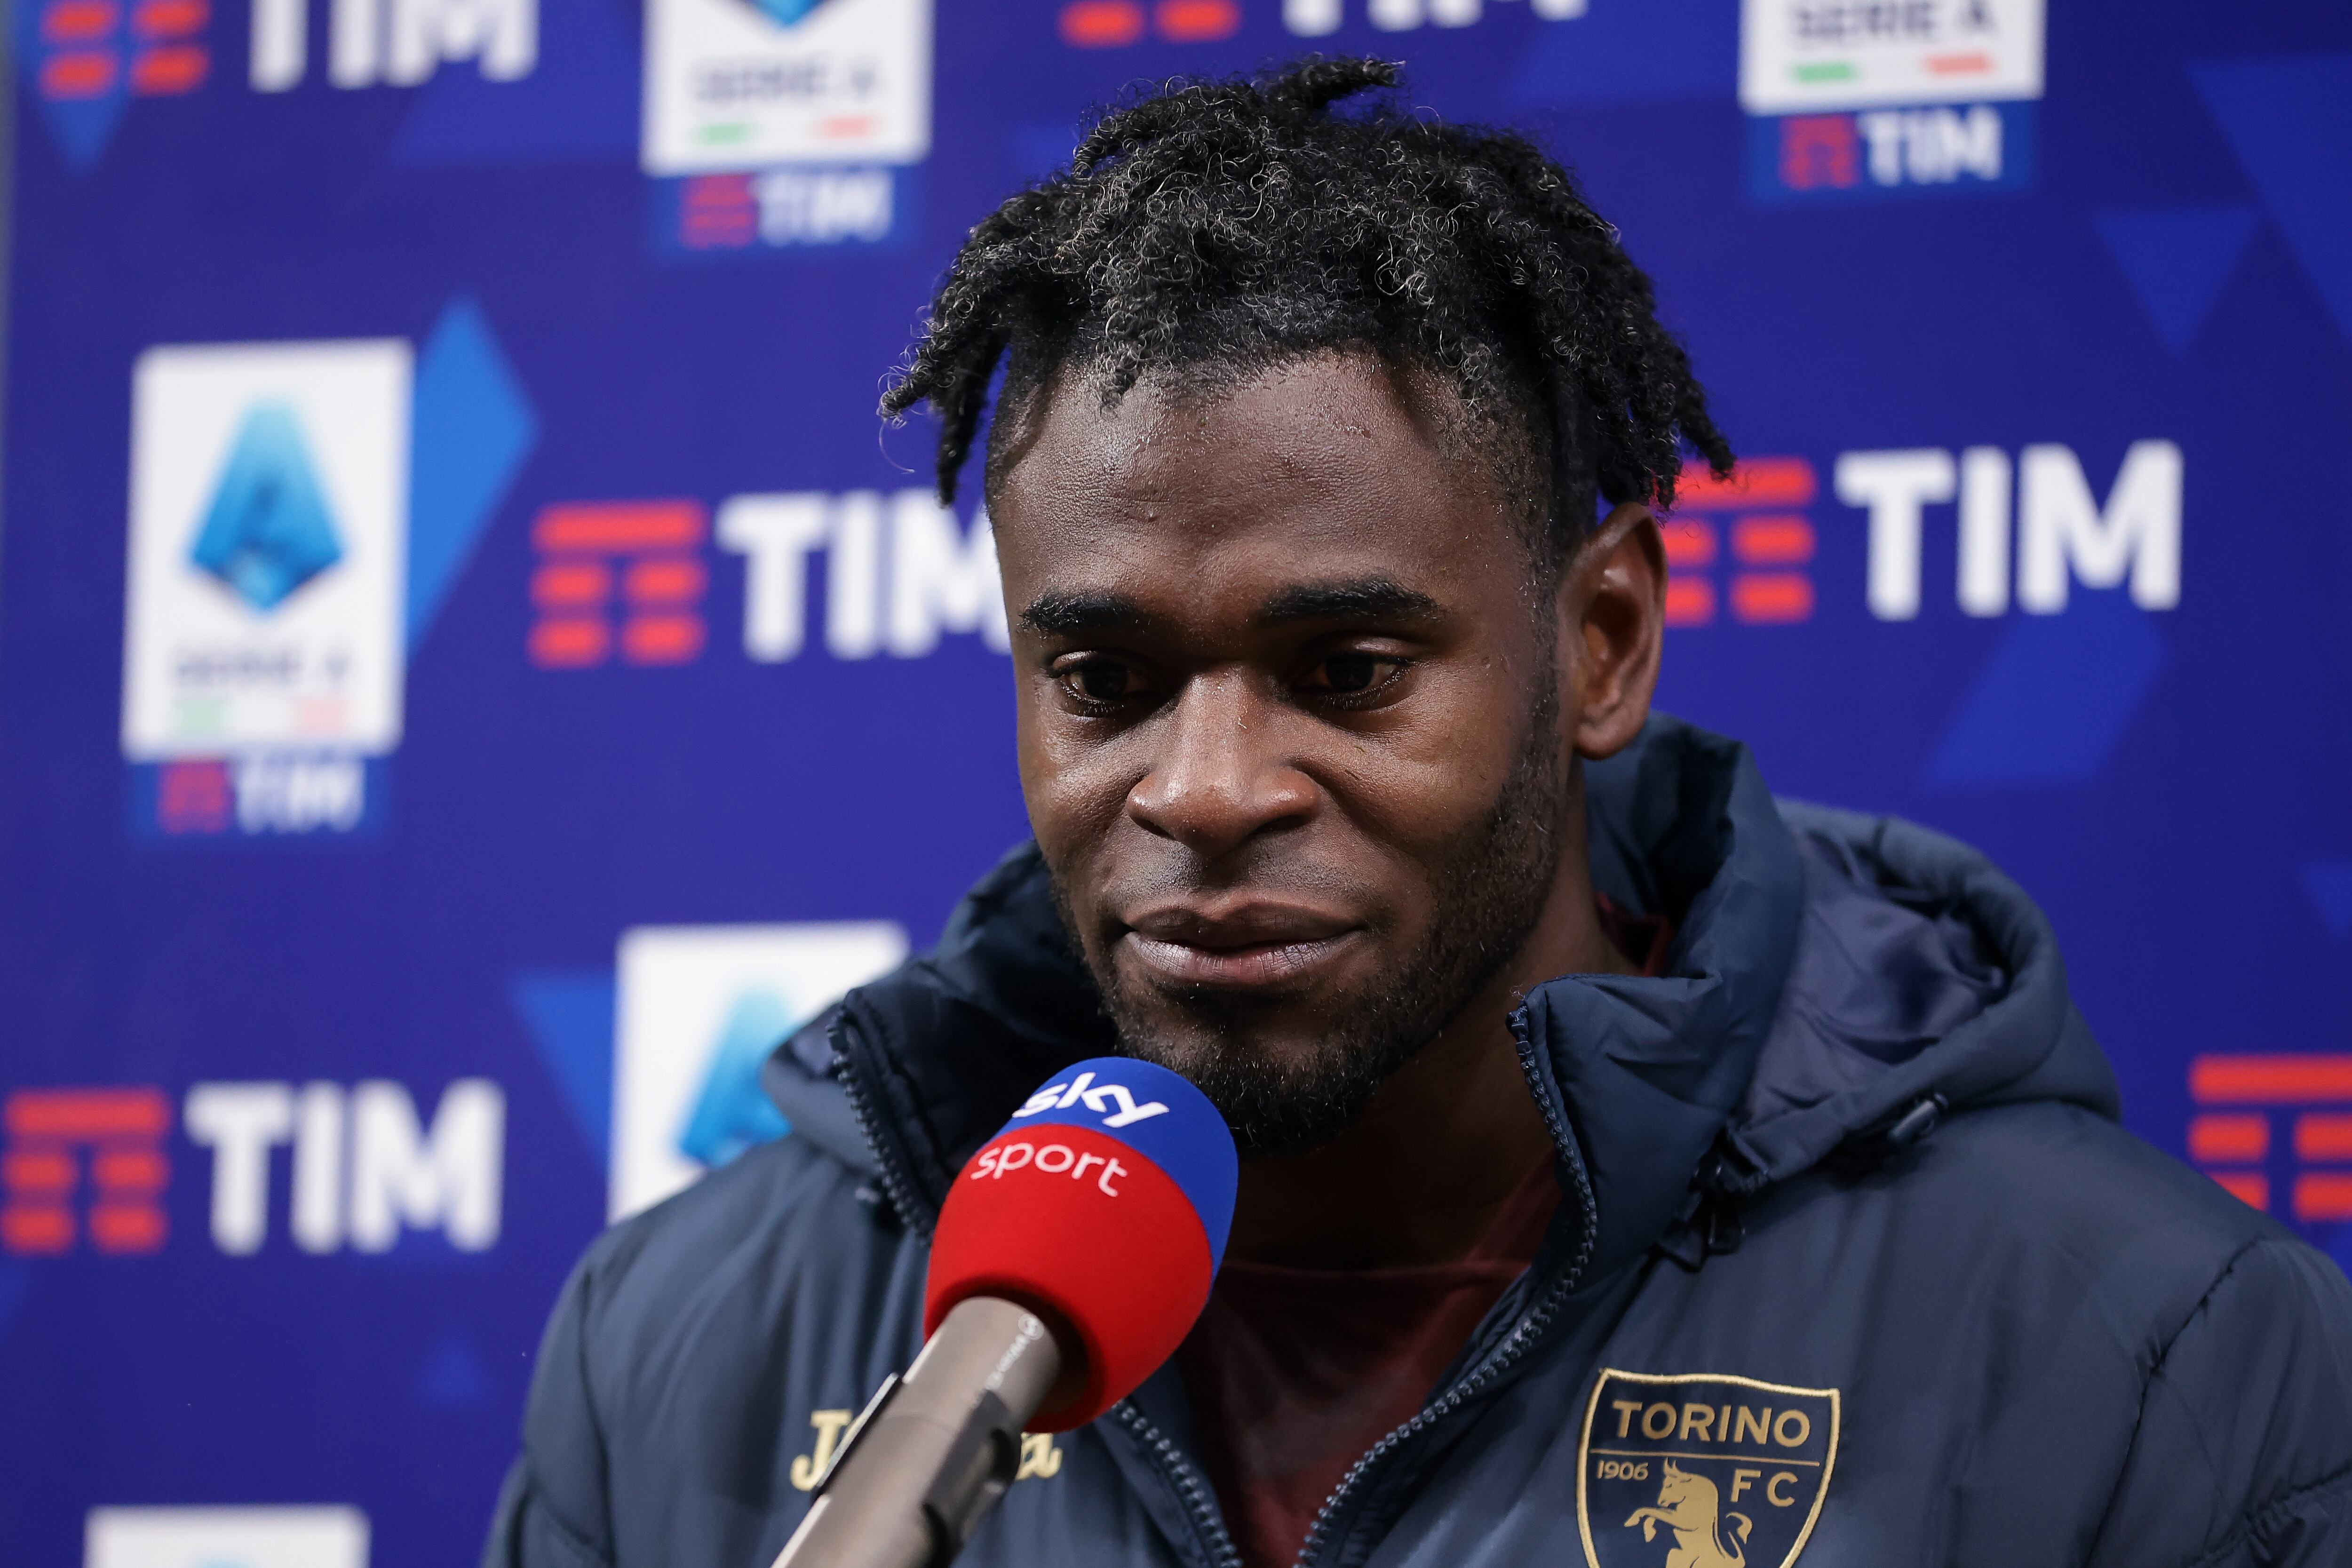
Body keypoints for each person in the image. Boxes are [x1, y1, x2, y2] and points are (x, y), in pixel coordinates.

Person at [484, 59, 2352, 1568]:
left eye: (1350, 669)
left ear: (1598, 640)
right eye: (1106, 684)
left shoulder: (2151, 1358)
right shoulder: (689, 1346)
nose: (1204, 792)